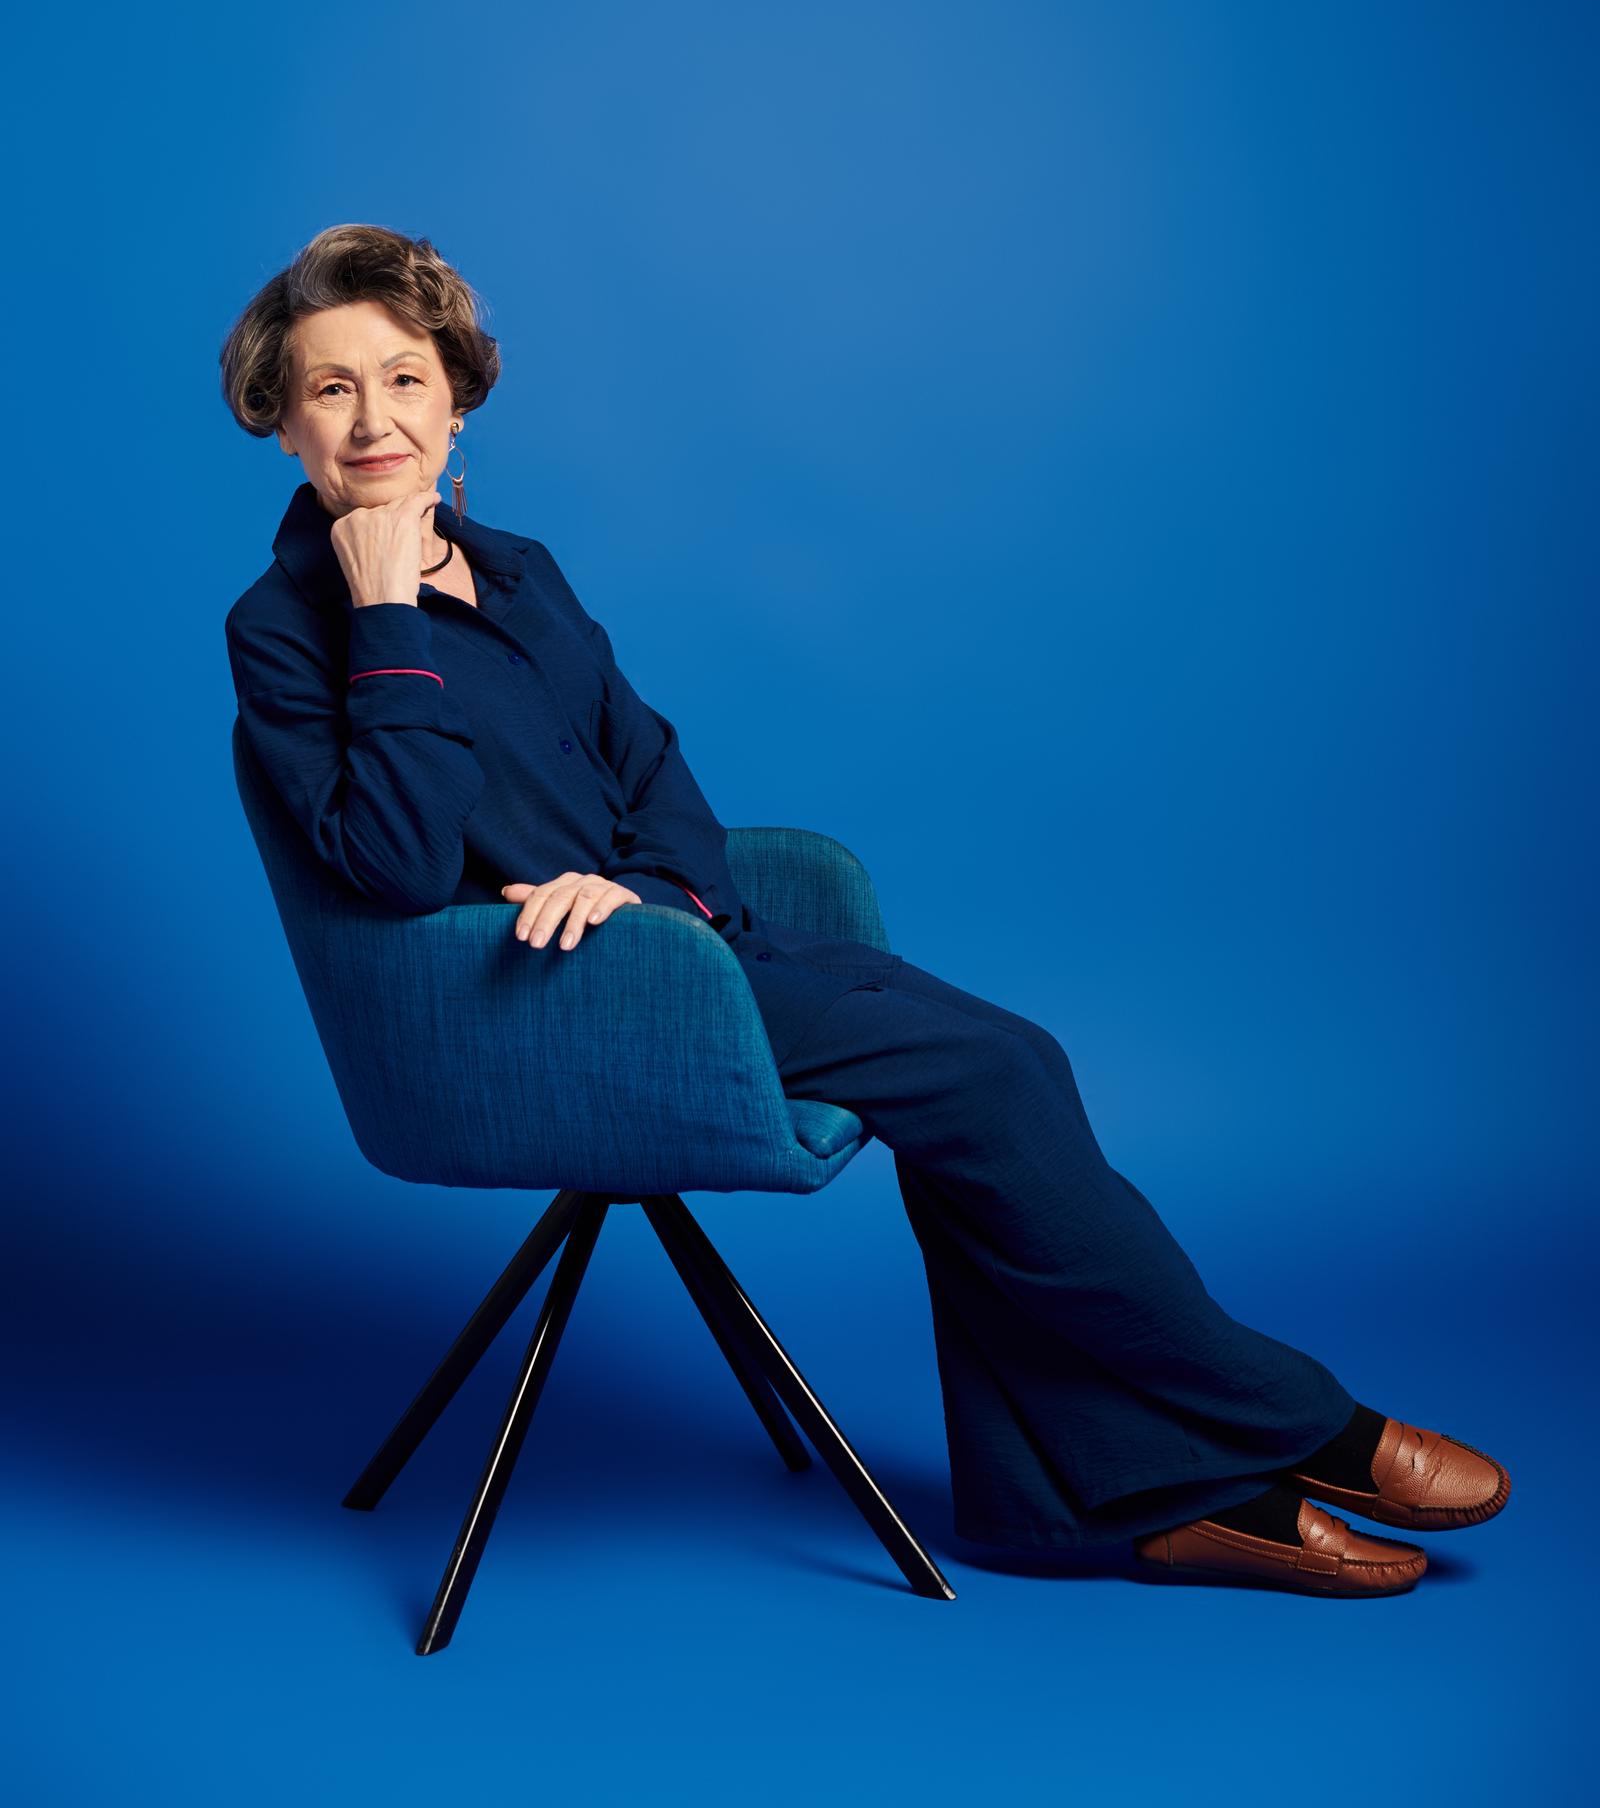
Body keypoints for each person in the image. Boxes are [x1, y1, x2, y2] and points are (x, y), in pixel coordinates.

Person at [220, 223, 1511, 1599]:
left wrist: (645, 887)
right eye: (333, 387)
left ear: (455, 398)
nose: (374, 418)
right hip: (557, 1007)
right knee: (996, 1073)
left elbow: (654, 767)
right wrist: (383, 614)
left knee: (1006, 1075)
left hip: (681, 946)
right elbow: (402, 866)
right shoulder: (284, 627)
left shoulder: (524, 569)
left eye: (404, 378)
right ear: (282, 421)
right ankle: (1300, 1426)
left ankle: (1100, 1501)